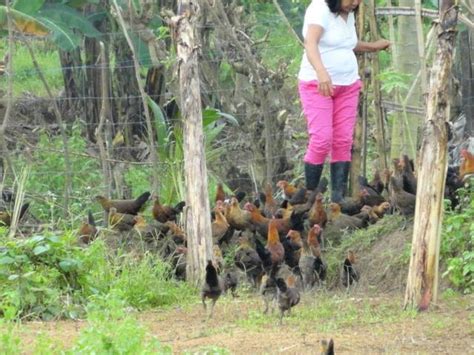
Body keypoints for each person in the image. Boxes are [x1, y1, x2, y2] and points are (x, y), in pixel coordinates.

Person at [298, 0, 390, 202]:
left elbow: (347, 43)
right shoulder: (319, 9)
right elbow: (310, 43)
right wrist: (321, 72)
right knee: (322, 139)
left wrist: (373, 47)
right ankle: (309, 196)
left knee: (343, 140)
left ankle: (338, 199)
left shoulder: (348, 15)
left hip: (348, 85)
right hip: (318, 85)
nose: (355, 3)